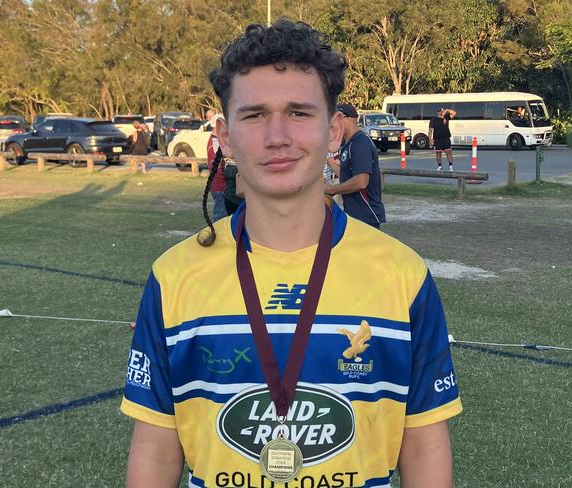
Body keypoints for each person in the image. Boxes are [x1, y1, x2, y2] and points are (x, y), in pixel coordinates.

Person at [122, 19, 461, 488]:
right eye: (254, 114)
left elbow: (423, 444)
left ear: (335, 130)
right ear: (224, 134)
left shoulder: (402, 273)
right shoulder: (174, 274)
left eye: (299, 113)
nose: (277, 135)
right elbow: (156, 449)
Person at [324, 103, 385, 228]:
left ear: (348, 119)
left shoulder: (360, 143)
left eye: (336, 119)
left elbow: (361, 181)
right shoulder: (349, 143)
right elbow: (349, 176)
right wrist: (330, 162)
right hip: (354, 213)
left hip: (365, 214)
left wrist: (332, 189)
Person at [206, 116, 228, 221]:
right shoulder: (215, 143)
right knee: (220, 217)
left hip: (218, 184)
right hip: (219, 185)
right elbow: (216, 166)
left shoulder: (215, 141)